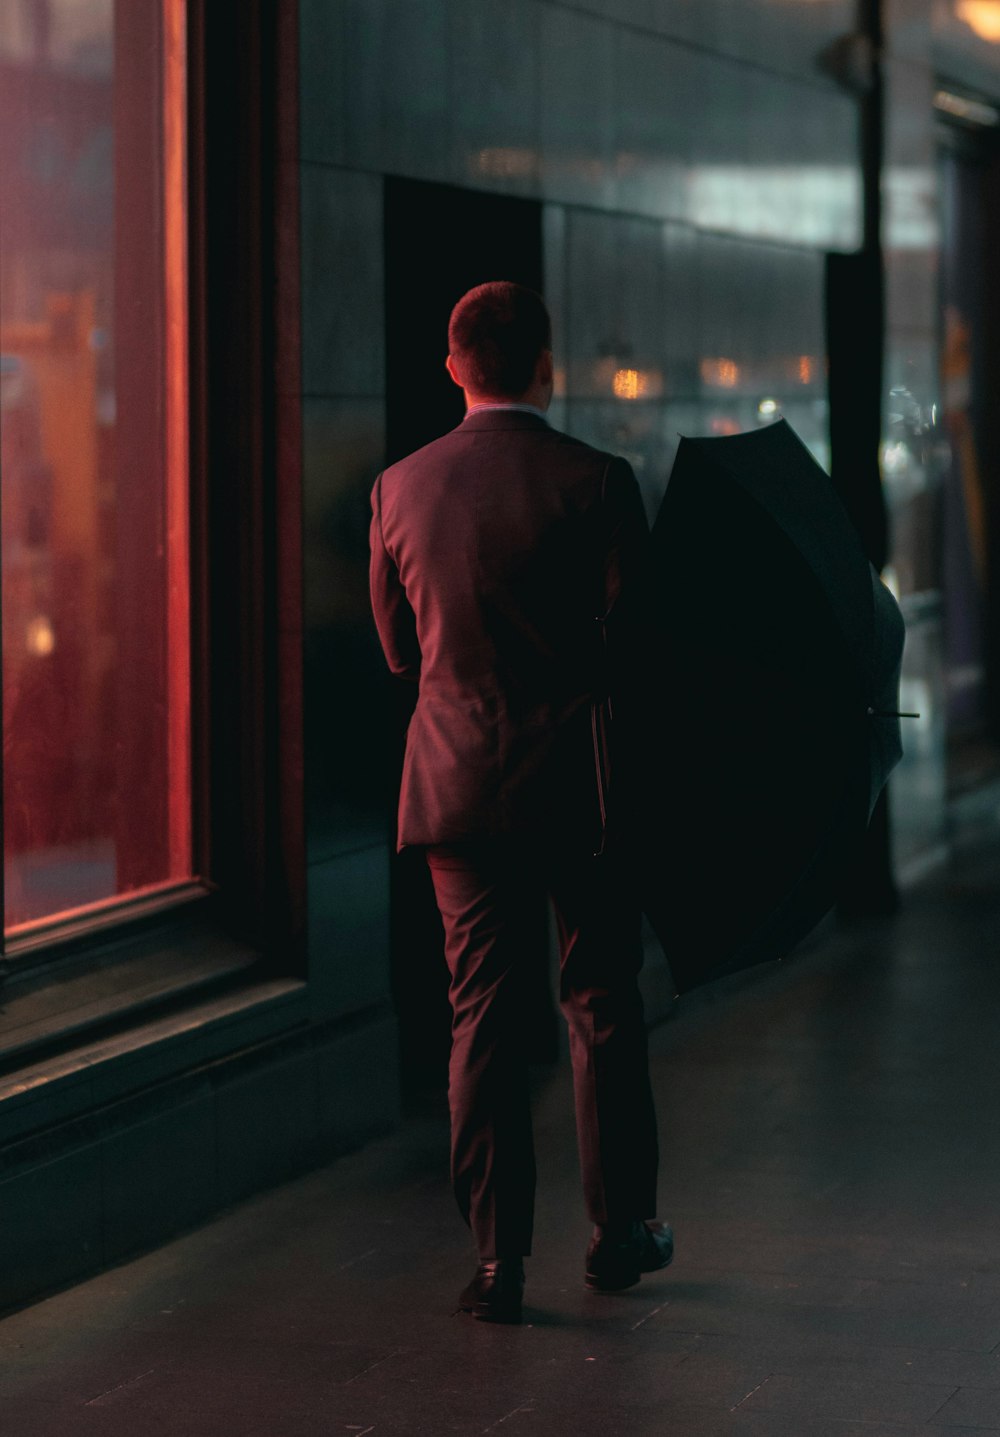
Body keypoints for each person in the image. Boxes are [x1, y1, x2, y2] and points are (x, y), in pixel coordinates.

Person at [369, 281, 672, 1324]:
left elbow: (400, 653)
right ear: (545, 363)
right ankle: (619, 1232)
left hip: (453, 783)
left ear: (452, 364)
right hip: (579, 786)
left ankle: (498, 1261)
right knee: (599, 1003)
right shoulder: (596, 482)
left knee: (480, 1020)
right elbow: (638, 651)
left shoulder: (398, 489)